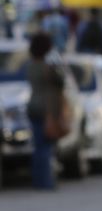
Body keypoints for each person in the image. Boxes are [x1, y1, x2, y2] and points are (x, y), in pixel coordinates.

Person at [25, 33, 66, 190]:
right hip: (47, 109)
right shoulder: (48, 67)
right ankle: (46, 181)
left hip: (33, 106)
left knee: (39, 145)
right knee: (46, 147)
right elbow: (60, 82)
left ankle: (38, 179)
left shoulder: (30, 66)